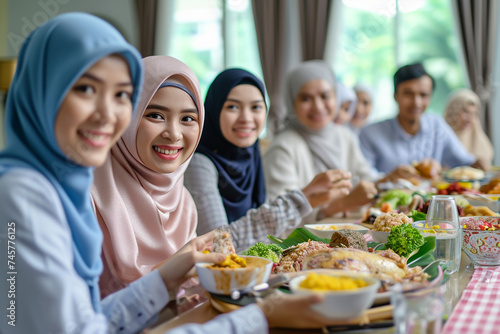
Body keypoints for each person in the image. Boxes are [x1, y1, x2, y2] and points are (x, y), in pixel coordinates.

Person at [0, 13, 338, 334]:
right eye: (86, 89)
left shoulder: (65, 187)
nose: (107, 114)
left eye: (121, 95)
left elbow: (89, 321)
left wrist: (164, 278)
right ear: (41, 89)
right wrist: (260, 317)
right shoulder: (22, 194)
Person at [184, 68, 352, 250]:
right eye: (232, 107)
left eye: (256, 107)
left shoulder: (250, 154)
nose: (246, 118)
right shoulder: (199, 164)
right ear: (214, 109)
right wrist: (302, 198)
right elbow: (219, 244)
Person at [91, 55, 206, 297]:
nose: (174, 134)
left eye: (187, 118)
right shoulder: (89, 198)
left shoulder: (183, 203)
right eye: (155, 115)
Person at [263, 60, 378, 222]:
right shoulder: (283, 148)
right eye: (305, 99)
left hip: (352, 233)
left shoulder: (344, 135)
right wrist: (338, 205)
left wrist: (386, 181)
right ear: (291, 102)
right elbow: (277, 217)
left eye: (325, 96)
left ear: (336, 97)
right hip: (305, 244)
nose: (318, 106)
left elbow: (366, 177)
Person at [359, 63, 487, 177]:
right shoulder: (370, 133)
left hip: (431, 202)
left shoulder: (436, 125)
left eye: (423, 95)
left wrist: (479, 163)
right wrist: (389, 178)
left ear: (430, 97)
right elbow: (363, 178)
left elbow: (464, 162)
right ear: (395, 95)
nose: (416, 102)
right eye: (408, 94)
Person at [444, 88, 494, 169]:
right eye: (466, 112)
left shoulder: (477, 136)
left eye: (474, 113)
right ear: (453, 111)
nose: (470, 118)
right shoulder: (442, 135)